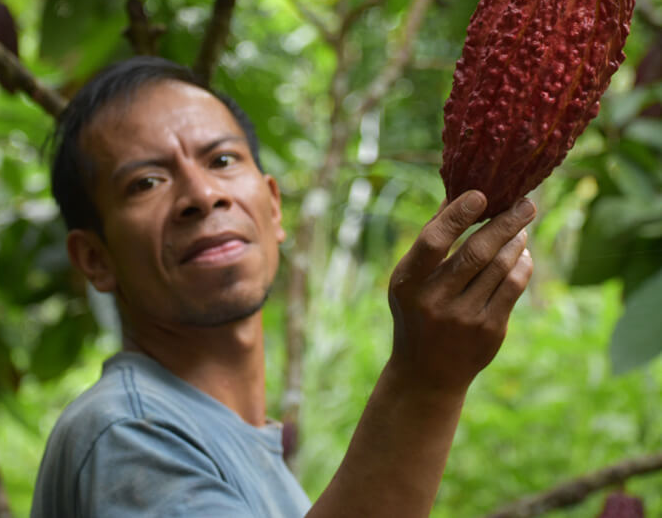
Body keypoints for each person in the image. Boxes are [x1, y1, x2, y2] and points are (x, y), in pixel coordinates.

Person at [31, 56, 536, 517]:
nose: (203, 195)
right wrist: (426, 380)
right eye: (146, 182)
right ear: (94, 259)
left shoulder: (248, 461)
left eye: (222, 160)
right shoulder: (126, 433)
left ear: (273, 207)